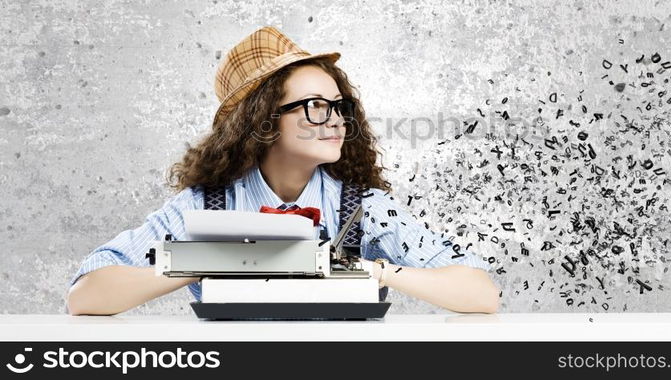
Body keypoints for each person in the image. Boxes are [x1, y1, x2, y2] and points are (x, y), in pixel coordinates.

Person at [66, 26, 499, 316]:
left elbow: (481, 293)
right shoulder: (204, 207)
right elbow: (86, 295)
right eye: (314, 106)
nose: (334, 120)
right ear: (262, 121)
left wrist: (376, 271)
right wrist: (203, 263)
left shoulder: (364, 209)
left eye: (338, 106)